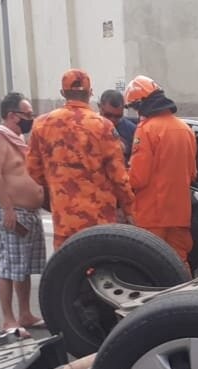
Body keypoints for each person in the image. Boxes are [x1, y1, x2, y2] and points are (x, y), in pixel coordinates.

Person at [27, 69, 133, 250]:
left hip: (64, 220)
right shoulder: (103, 126)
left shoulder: (42, 124)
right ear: (90, 93)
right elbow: (119, 177)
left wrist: (55, 196)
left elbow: (33, 171)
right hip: (100, 222)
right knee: (101, 269)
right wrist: (130, 211)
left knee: (68, 272)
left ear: (62, 93)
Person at [0, 92, 47, 335]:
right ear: (13, 116)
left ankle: (25, 314)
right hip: (12, 212)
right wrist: (7, 209)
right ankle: (9, 319)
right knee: (9, 267)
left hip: (29, 213)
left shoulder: (18, 139)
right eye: (27, 114)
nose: (31, 119)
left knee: (22, 268)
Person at [124, 75, 198, 265]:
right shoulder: (185, 129)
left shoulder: (147, 129)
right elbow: (192, 174)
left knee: (149, 266)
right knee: (179, 264)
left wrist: (120, 178)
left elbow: (138, 177)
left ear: (141, 104)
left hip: (152, 215)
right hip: (180, 214)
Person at [100, 88, 138, 162]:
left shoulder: (132, 130)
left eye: (118, 116)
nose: (112, 120)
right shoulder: (90, 127)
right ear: (100, 107)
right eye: (108, 115)